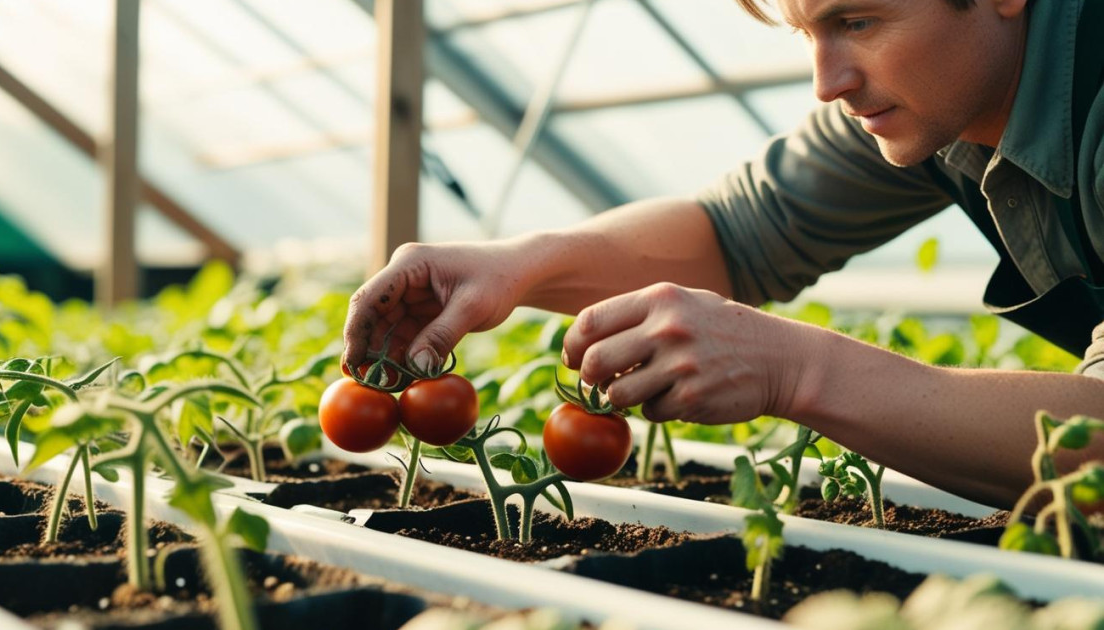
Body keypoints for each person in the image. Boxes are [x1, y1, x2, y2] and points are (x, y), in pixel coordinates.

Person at [342, 0, 1104, 510]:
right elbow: (743, 230)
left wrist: (797, 370)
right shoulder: (940, 90)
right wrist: (519, 264)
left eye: (859, 21)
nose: (826, 83)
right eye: (805, 32)